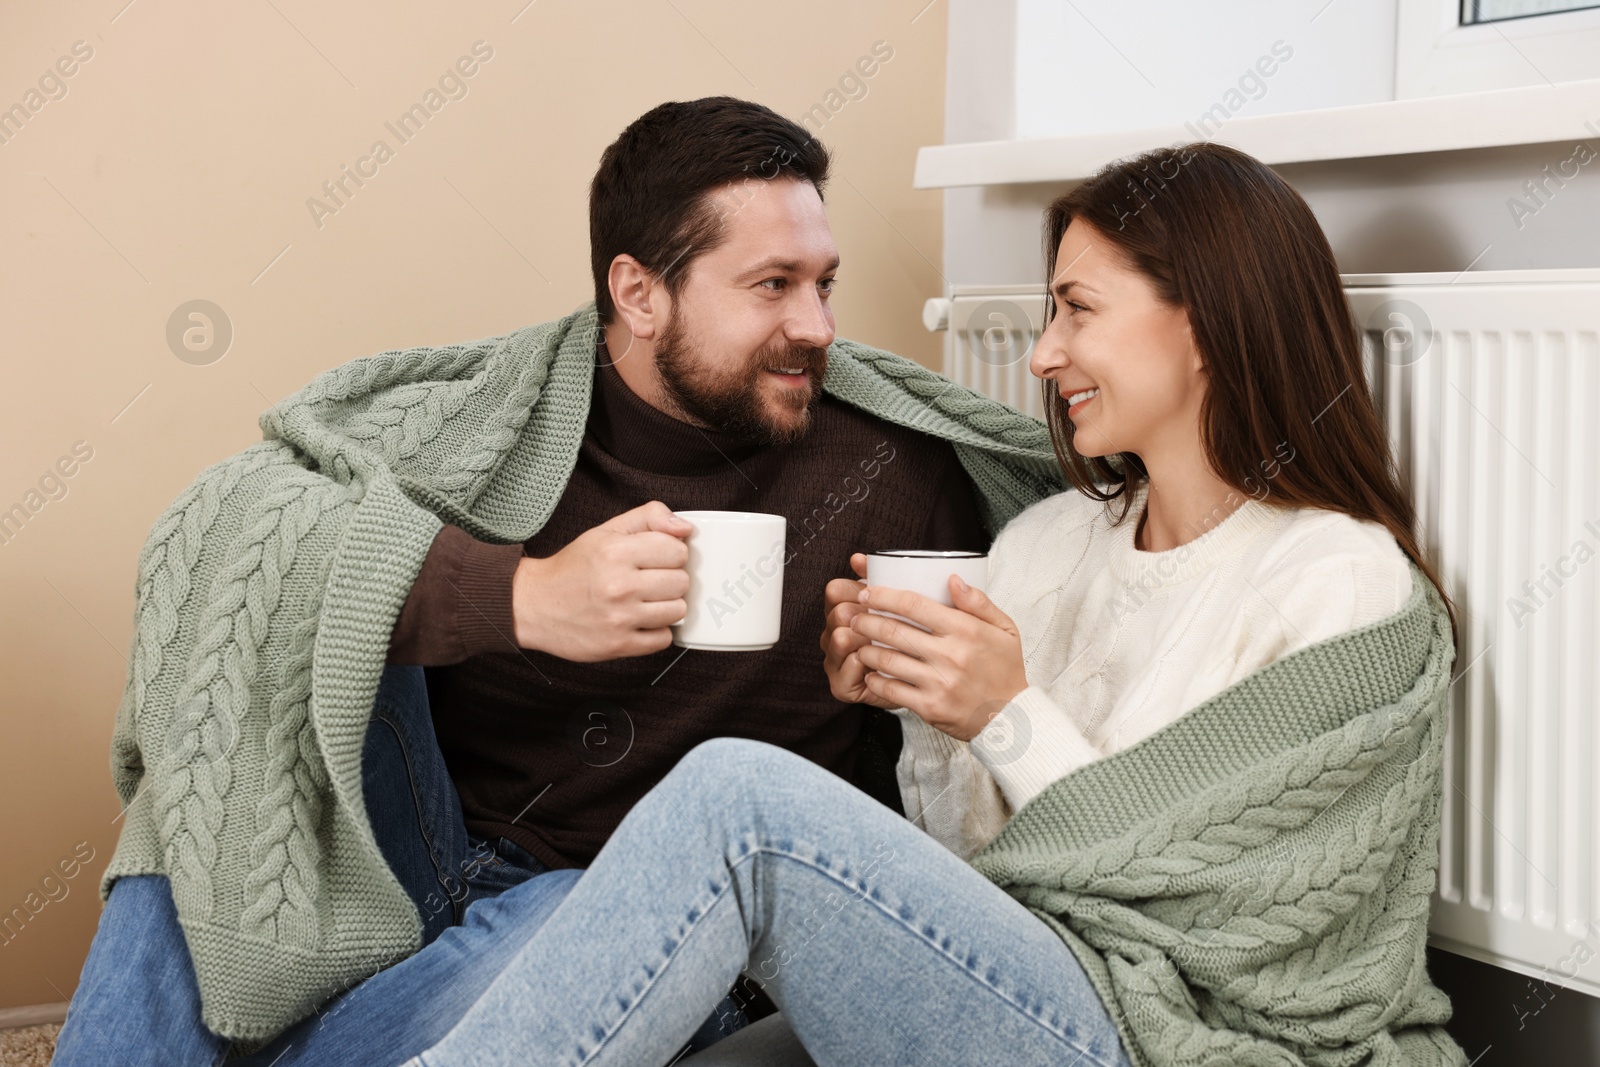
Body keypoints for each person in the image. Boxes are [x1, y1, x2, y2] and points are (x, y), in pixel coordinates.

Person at [393, 143, 1470, 1066]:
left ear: (1203, 325)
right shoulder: (1049, 544)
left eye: (1076, 310)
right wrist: (918, 708)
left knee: (737, 798)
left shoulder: (1338, 584)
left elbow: (1222, 930)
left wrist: (1006, 712)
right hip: (1011, 985)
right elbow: (973, 877)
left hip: (1162, 1035)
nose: (1044, 355)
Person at [52, 98, 1065, 1066]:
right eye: (771, 285)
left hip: (631, 903)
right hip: (429, 844)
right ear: (637, 292)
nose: (817, 327)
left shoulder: (893, 474)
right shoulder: (499, 424)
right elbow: (230, 527)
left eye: (823, 282)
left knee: (554, 946)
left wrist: (905, 691)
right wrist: (525, 596)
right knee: (222, 756)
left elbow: (906, 820)